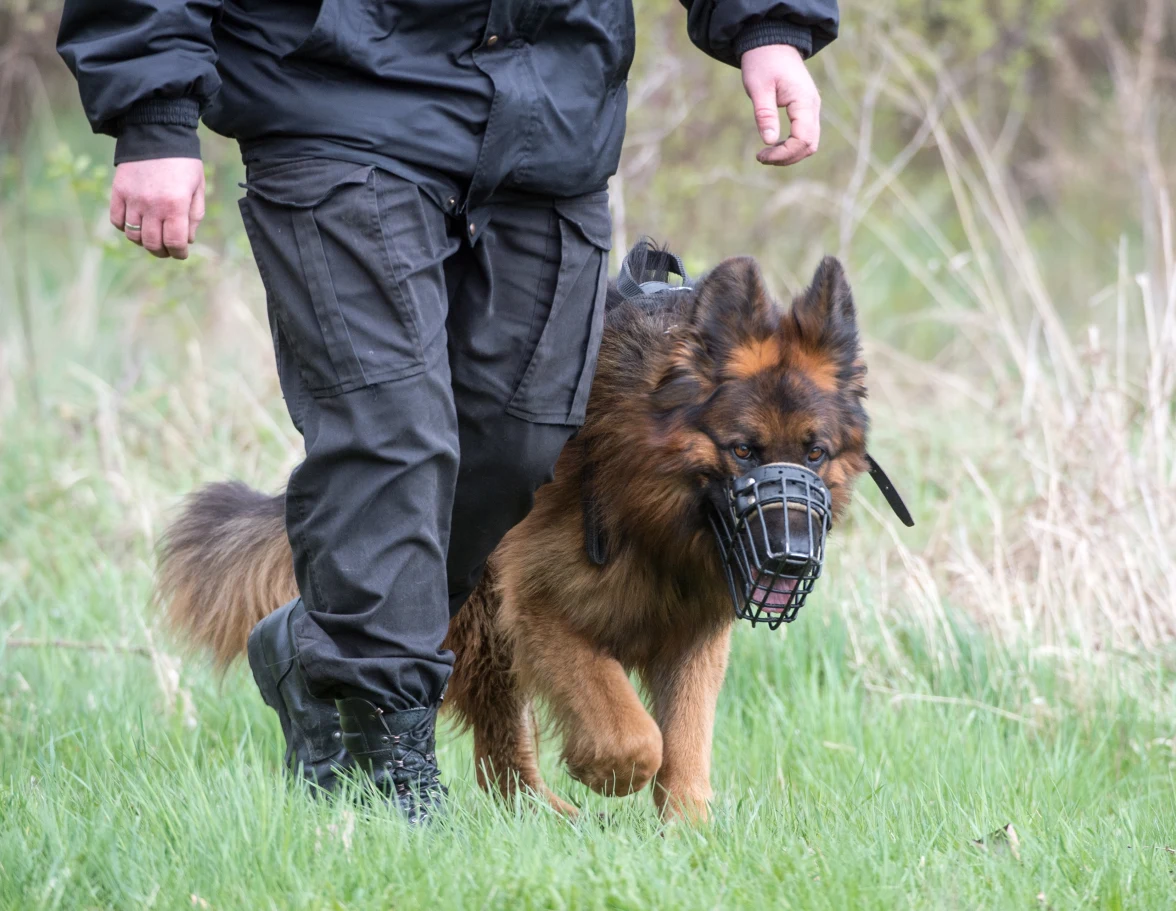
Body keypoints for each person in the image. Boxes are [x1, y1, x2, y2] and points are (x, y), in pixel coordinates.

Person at [57, 0, 839, 823]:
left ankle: (328, 632)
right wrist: (153, 105)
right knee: (394, 436)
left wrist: (768, 23)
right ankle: (374, 778)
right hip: (336, 91)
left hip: (550, 108)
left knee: (520, 447)